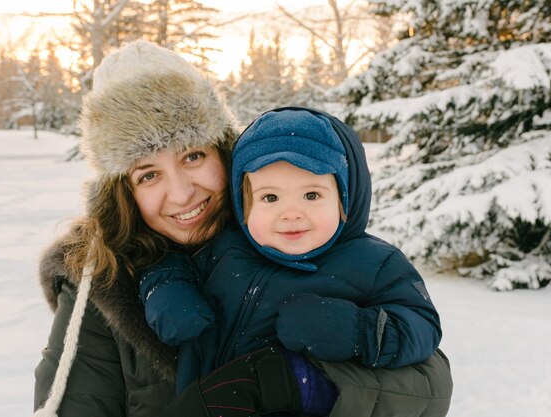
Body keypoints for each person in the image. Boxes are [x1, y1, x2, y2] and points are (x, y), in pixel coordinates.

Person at [33, 40, 452, 417]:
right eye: (148, 175)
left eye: (193, 156)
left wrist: (296, 383)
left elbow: (429, 383)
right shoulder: (98, 283)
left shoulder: (288, 238)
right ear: (122, 194)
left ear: (225, 152)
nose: (180, 194)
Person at [139, 107, 444, 416]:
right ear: (245, 205)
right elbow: (169, 263)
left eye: (311, 195)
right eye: (270, 198)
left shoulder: (376, 263)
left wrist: (355, 331)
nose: (291, 213)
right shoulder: (225, 248)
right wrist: (166, 290)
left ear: (345, 197)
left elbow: (422, 326)